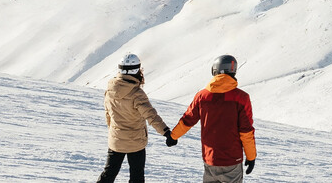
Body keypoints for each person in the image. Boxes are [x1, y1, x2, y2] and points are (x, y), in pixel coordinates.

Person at [171, 54, 258, 182]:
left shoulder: (202, 96)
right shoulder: (241, 98)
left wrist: (173, 136)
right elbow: (246, 131)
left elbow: (188, 120)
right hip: (232, 160)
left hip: (210, 159)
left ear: (214, 70)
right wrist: (251, 157)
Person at [98, 54, 175, 183]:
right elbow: (151, 115)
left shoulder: (110, 89)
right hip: (135, 142)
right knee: (136, 177)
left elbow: (108, 115)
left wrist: (114, 132)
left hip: (116, 140)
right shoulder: (136, 94)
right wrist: (166, 132)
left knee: (109, 173)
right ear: (137, 70)